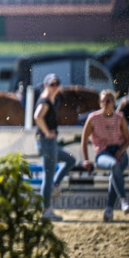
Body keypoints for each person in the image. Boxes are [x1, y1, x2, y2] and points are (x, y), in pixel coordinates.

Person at [81, 89, 129, 222]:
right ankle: (123, 200)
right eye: (103, 100)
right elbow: (84, 139)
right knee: (114, 166)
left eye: (108, 100)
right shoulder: (93, 118)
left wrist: (120, 152)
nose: (105, 102)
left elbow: (128, 140)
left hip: (119, 151)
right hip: (103, 152)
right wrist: (86, 159)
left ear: (113, 103)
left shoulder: (120, 117)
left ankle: (109, 210)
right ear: (99, 103)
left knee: (114, 175)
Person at [33, 73, 76, 221]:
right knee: (48, 175)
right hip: (47, 142)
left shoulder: (50, 99)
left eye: (57, 84)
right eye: (52, 84)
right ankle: (46, 209)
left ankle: (54, 187)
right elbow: (37, 117)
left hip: (47, 142)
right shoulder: (45, 101)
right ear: (46, 86)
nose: (55, 87)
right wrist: (47, 133)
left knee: (71, 160)